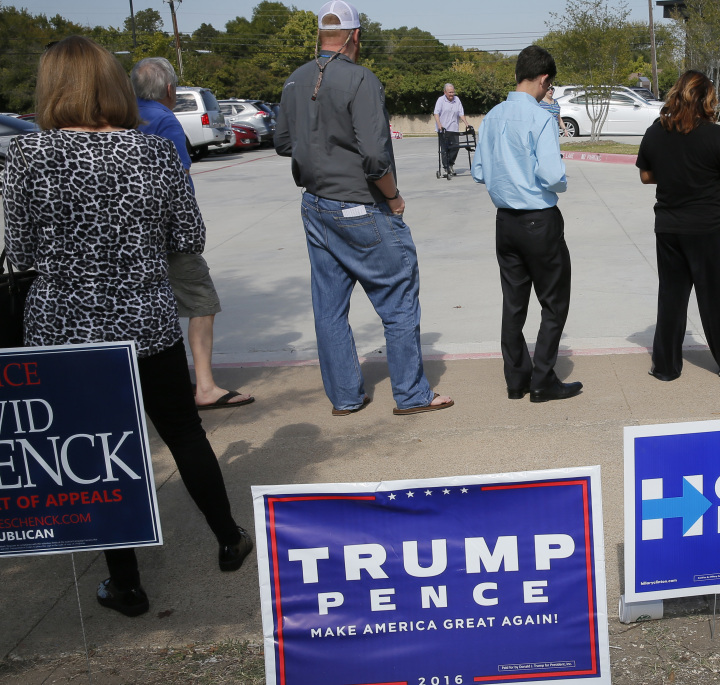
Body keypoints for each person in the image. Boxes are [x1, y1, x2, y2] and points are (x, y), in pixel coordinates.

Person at [1, 36, 253, 617]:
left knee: (92, 453)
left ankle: (126, 583)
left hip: (64, 330)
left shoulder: (30, 157)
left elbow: (21, 249)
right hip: (145, 320)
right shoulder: (155, 153)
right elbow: (187, 240)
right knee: (184, 431)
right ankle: (227, 537)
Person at [274, 0, 453, 416]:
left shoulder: (295, 80)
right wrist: (393, 198)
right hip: (359, 204)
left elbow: (284, 143)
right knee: (399, 298)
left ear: (321, 36)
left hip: (316, 204)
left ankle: (346, 397)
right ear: (356, 36)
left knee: (330, 307)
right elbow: (375, 158)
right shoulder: (360, 79)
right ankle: (411, 394)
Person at [130, 57, 254, 410]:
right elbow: (179, 179)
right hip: (168, 236)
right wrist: (190, 233)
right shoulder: (163, 119)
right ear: (170, 90)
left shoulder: (119, 117)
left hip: (129, 237)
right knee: (201, 302)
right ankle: (205, 387)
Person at [472, 45, 583, 402]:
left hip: (505, 222)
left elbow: (478, 172)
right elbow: (552, 175)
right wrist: (561, 182)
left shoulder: (491, 117)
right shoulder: (540, 118)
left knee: (514, 302)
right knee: (554, 302)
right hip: (539, 220)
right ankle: (543, 379)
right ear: (544, 79)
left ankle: (517, 378)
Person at [636, 71, 720, 380]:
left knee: (671, 298)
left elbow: (646, 175)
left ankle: (665, 366)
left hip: (669, 227)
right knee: (715, 299)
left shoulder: (656, 131)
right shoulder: (715, 134)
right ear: (706, 99)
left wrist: (675, 171)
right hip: (706, 228)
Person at [433, 83, 472, 175]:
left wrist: (466, 124)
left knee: (456, 147)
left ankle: (450, 164)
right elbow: (436, 113)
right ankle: (446, 167)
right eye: (450, 92)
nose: (451, 94)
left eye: (453, 92)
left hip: (454, 128)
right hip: (443, 128)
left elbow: (461, 113)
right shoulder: (440, 100)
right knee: (444, 149)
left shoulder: (457, 100)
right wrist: (439, 124)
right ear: (445, 92)